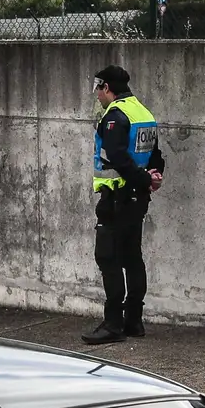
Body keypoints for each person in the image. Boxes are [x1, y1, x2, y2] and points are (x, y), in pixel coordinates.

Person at [81, 65, 164, 345]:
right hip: (137, 199)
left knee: (109, 258)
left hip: (117, 198)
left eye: (98, 90)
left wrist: (142, 179)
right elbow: (155, 154)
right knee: (132, 257)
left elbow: (116, 155)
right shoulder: (143, 113)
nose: (97, 96)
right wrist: (152, 177)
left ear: (107, 88)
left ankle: (113, 323)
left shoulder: (116, 115)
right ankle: (134, 321)